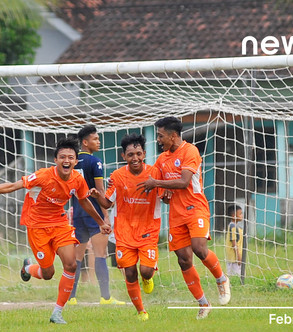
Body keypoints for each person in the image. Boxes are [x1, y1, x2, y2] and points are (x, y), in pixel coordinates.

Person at [0, 138, 111, 324]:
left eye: (70, 157)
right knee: (47, 273)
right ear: (55, 160)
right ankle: (28, 268)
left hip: (60, 224)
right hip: (37, 226)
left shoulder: (77, 179)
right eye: (62, 157)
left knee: (71, 264)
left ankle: (57, 312)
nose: (66, 160)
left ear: (75, 161)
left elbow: (84, 201)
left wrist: (100, 222)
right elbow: (14, 185)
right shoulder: (43, 176)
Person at [138, 116, 230, 319]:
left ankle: (221, 279)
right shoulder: (162, 160)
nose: (159, 140)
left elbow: (184, 181)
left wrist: (158, 184)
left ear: (173, 136)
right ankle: (204, 303)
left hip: (195, 208)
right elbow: (161, 190)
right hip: (176, 215)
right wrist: (164, 194)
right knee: (183, 260)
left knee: (199, 248)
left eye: (161, 136)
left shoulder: (190, 151)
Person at [89, 133, 167, 321]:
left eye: (138, 154)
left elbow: (165, 197)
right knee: (130, 272)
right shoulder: (117, 176)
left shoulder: (154, 174)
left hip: (148, 230)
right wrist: (96, 195)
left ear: (144, 154)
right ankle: (141, 311)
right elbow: (108, 203)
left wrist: (168, 193)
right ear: (124, 156)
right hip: (124, 233)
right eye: (130, 154)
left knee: (145, 271)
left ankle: (148, 278)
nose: (135, 158)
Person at [68, 125, 124, 305]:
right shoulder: (95, 162)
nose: (98, 142)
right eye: (95, 139)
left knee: (76, 257)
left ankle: (71, 298)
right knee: (100, 254)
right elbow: (100, 192)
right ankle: (106, 298)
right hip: (94, 214)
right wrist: (105, 215)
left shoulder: (73, 162)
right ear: (85, 142)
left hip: (77, 213)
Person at [226, 205, 244, 276]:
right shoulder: (233, 227)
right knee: (235, 275)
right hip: (234, 258)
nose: (242, 215)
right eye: (240, 214)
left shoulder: (237, 227)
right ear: (234, 216)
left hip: (236, 256)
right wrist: (238, 257)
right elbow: (234, 243)